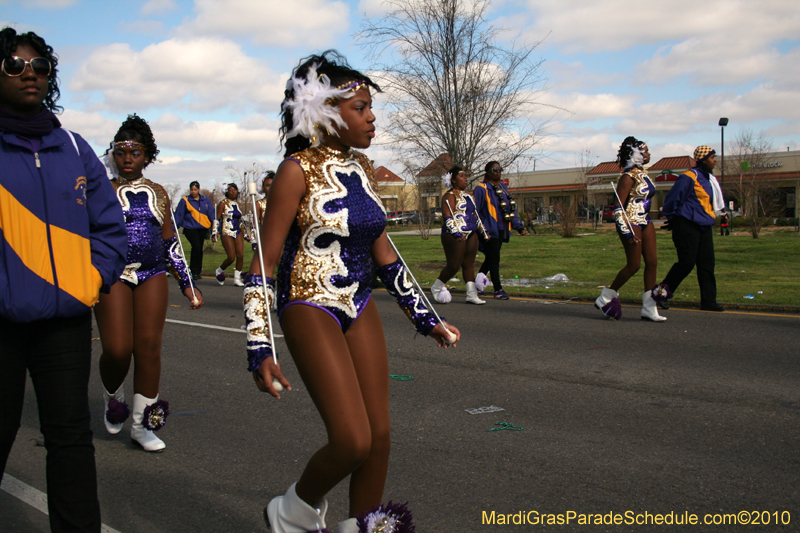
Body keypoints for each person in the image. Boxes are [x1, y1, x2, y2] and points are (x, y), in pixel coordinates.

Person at [242, 50, 460, 533]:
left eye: (369, 106)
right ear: (324, 112)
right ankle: (293, 509)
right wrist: (260, 345)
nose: (372, 115)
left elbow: (384, 253)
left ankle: (361, 527)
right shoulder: (295, 170)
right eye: (360, 107)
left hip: (359, 302)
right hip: (307, 302)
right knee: (352, 441)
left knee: (379, 436)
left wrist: (427, 319)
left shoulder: (361, 169)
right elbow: (265, 260)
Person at [0, 28, 128, 531]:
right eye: (13, 64)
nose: (28, 73)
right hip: (3, 324)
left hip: (66, 323)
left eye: (39, 66)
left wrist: (90, 278)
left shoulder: (74, 146)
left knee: (71, 439)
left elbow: (108, 227)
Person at [95, 114, 205, 453]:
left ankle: (144, 426)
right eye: (121, 152)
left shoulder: (158, 193)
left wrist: (187, 284)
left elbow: (170, 242)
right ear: (113, 155)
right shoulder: (99, 189)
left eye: (136, 153)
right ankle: (113, 396)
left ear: (147, 155)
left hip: (152, 273)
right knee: (116, 349)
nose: (128, 159)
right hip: (112, 273)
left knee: (148, 347)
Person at [594, 137, 666, 321]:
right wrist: (627, 231)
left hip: (646, 220)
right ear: (636, 154)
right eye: (645, 151)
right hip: (631, 221)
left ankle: (649, 308)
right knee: (634, 265)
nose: (649, 154)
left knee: (652, 262)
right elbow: (618, 208)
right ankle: (606, 296)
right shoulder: (627, 177)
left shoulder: (643, 174)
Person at [654, 145, 726, 312]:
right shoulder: (689, 177)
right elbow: (673, 198)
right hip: (686, 225)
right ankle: (660, 295)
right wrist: (672, 218)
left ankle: (708, 301)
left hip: (704, 226)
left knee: (707, 264)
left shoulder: (709, 178)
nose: (715, 160)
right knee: (686, 262)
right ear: (702, 159)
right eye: (711, 157)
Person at [430, 165, 490, 305]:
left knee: (469, 264)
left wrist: (483, 231)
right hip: (453, 234)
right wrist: (455, 232)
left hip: (471, 233)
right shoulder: (448, 196)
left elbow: (475, 216)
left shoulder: (469, 196)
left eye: (465, 176)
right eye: (462, 176)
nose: (465, 179)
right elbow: (447, 215)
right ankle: (436, 287)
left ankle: (471, 294)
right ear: (454, 180)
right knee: (454, 265)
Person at [473, 161, 527, 299]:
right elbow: (475, 211)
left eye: (499, 169)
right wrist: (481, 228)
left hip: (502, 229)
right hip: (489, 230)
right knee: (494, 258)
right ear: (488, 172)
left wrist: (518, 227)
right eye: (494, 170)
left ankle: (476, 285)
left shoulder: (503, 188)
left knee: (491, 259)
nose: (498, 172)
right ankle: (498, 289)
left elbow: (509, 211)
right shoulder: (481, 188)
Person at [174, 180, 215, 280]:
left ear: (198, 189)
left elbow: (211, 213)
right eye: (192, 190)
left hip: (202, 228)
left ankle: (197, 271)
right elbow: (179, 214)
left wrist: (214, 226)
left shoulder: (205, 200)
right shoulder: (185, 200)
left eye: (195, 190)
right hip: (190, 228)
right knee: (196, 246)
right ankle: (192, 270)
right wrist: (175, 227)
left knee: (199, 248)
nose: (193, 192)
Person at [212, 183, 246, 286]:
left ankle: (237, 279)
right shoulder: (223, 203)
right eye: (231, 190)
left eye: (235, 189)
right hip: (226, 231)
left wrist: (246, 235)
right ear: (226, 192)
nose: (233, 192)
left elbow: (240, 221)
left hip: (237, 231)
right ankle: (219, 270)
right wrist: (214, 232)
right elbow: (217, 218)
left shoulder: (237, 204)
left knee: (240, 255)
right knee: (231, 257)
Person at [250, 170, 274, 250]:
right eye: (268, 185)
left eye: (273, 185)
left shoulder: (282, 203)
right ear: (263, 187)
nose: (270, 188)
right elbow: (255, 224)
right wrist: (254, 241)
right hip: (265, 238)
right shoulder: (259, 204)